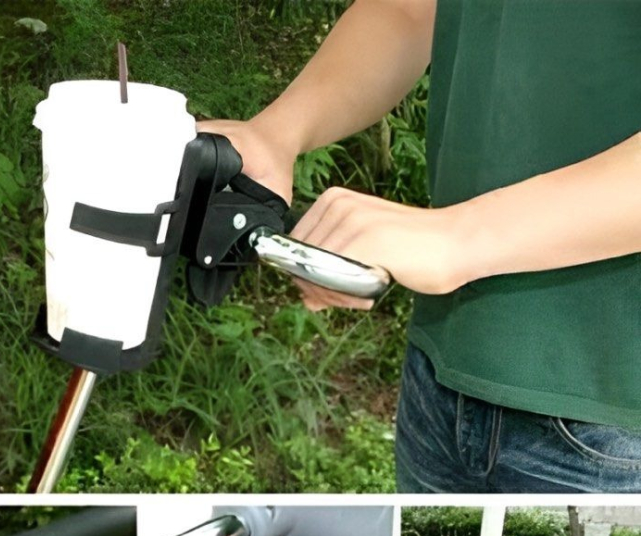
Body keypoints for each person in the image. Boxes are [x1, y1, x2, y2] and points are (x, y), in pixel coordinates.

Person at [202, 0, 641, 493]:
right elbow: (408, 10)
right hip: (439, 377)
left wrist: (460, 237)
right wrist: (279, 132)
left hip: (614, 420)